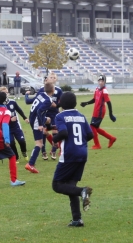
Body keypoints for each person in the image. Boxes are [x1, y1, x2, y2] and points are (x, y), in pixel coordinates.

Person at [52, 92, 93, 227]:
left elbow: (63, 132)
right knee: (70, 186)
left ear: (61, 104)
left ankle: (83, 191)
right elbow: (90, 135)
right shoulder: (81, 116)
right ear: (75, 103)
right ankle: (77, 219)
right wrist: (80, 143)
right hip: (82, 154)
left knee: (57, 185)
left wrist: (54, 139)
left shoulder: (60, 116)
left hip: (69, 155)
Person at [25, 82, 56, 173]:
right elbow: (39, 111)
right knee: (39, 144)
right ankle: (30, 164)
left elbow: (30, 103)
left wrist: (26, 95)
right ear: (53, 90)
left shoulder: (41, 94)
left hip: (33, 118)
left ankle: (49, 133)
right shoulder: (48, 100)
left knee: (49, 119)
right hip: (36, 121)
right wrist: (40, 125)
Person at [80, 74, 117, 149]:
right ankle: (111, 138)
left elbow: (108, 102)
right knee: (95, 128)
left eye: (102, 81)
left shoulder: (104, 90)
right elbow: (94, 99)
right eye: (99, 81)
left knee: (92, 127)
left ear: (104, 82)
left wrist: (110, 114)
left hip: (100, 112)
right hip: (95, 111)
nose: (100, 82)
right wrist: (86, 103)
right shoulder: (97, 89)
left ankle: (97, 145)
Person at [0, 86, 29, 163]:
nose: (7, 94)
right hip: (7, 128)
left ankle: (24, 152)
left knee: (22, 141)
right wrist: (9, 120)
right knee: (11, 143)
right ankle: (16, 157)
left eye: (7, 92)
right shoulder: (0, 106)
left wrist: (25, 118)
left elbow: (19, 110)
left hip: (16, 126)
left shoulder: (12, 102)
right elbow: (0, 119)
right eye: (4, 93)